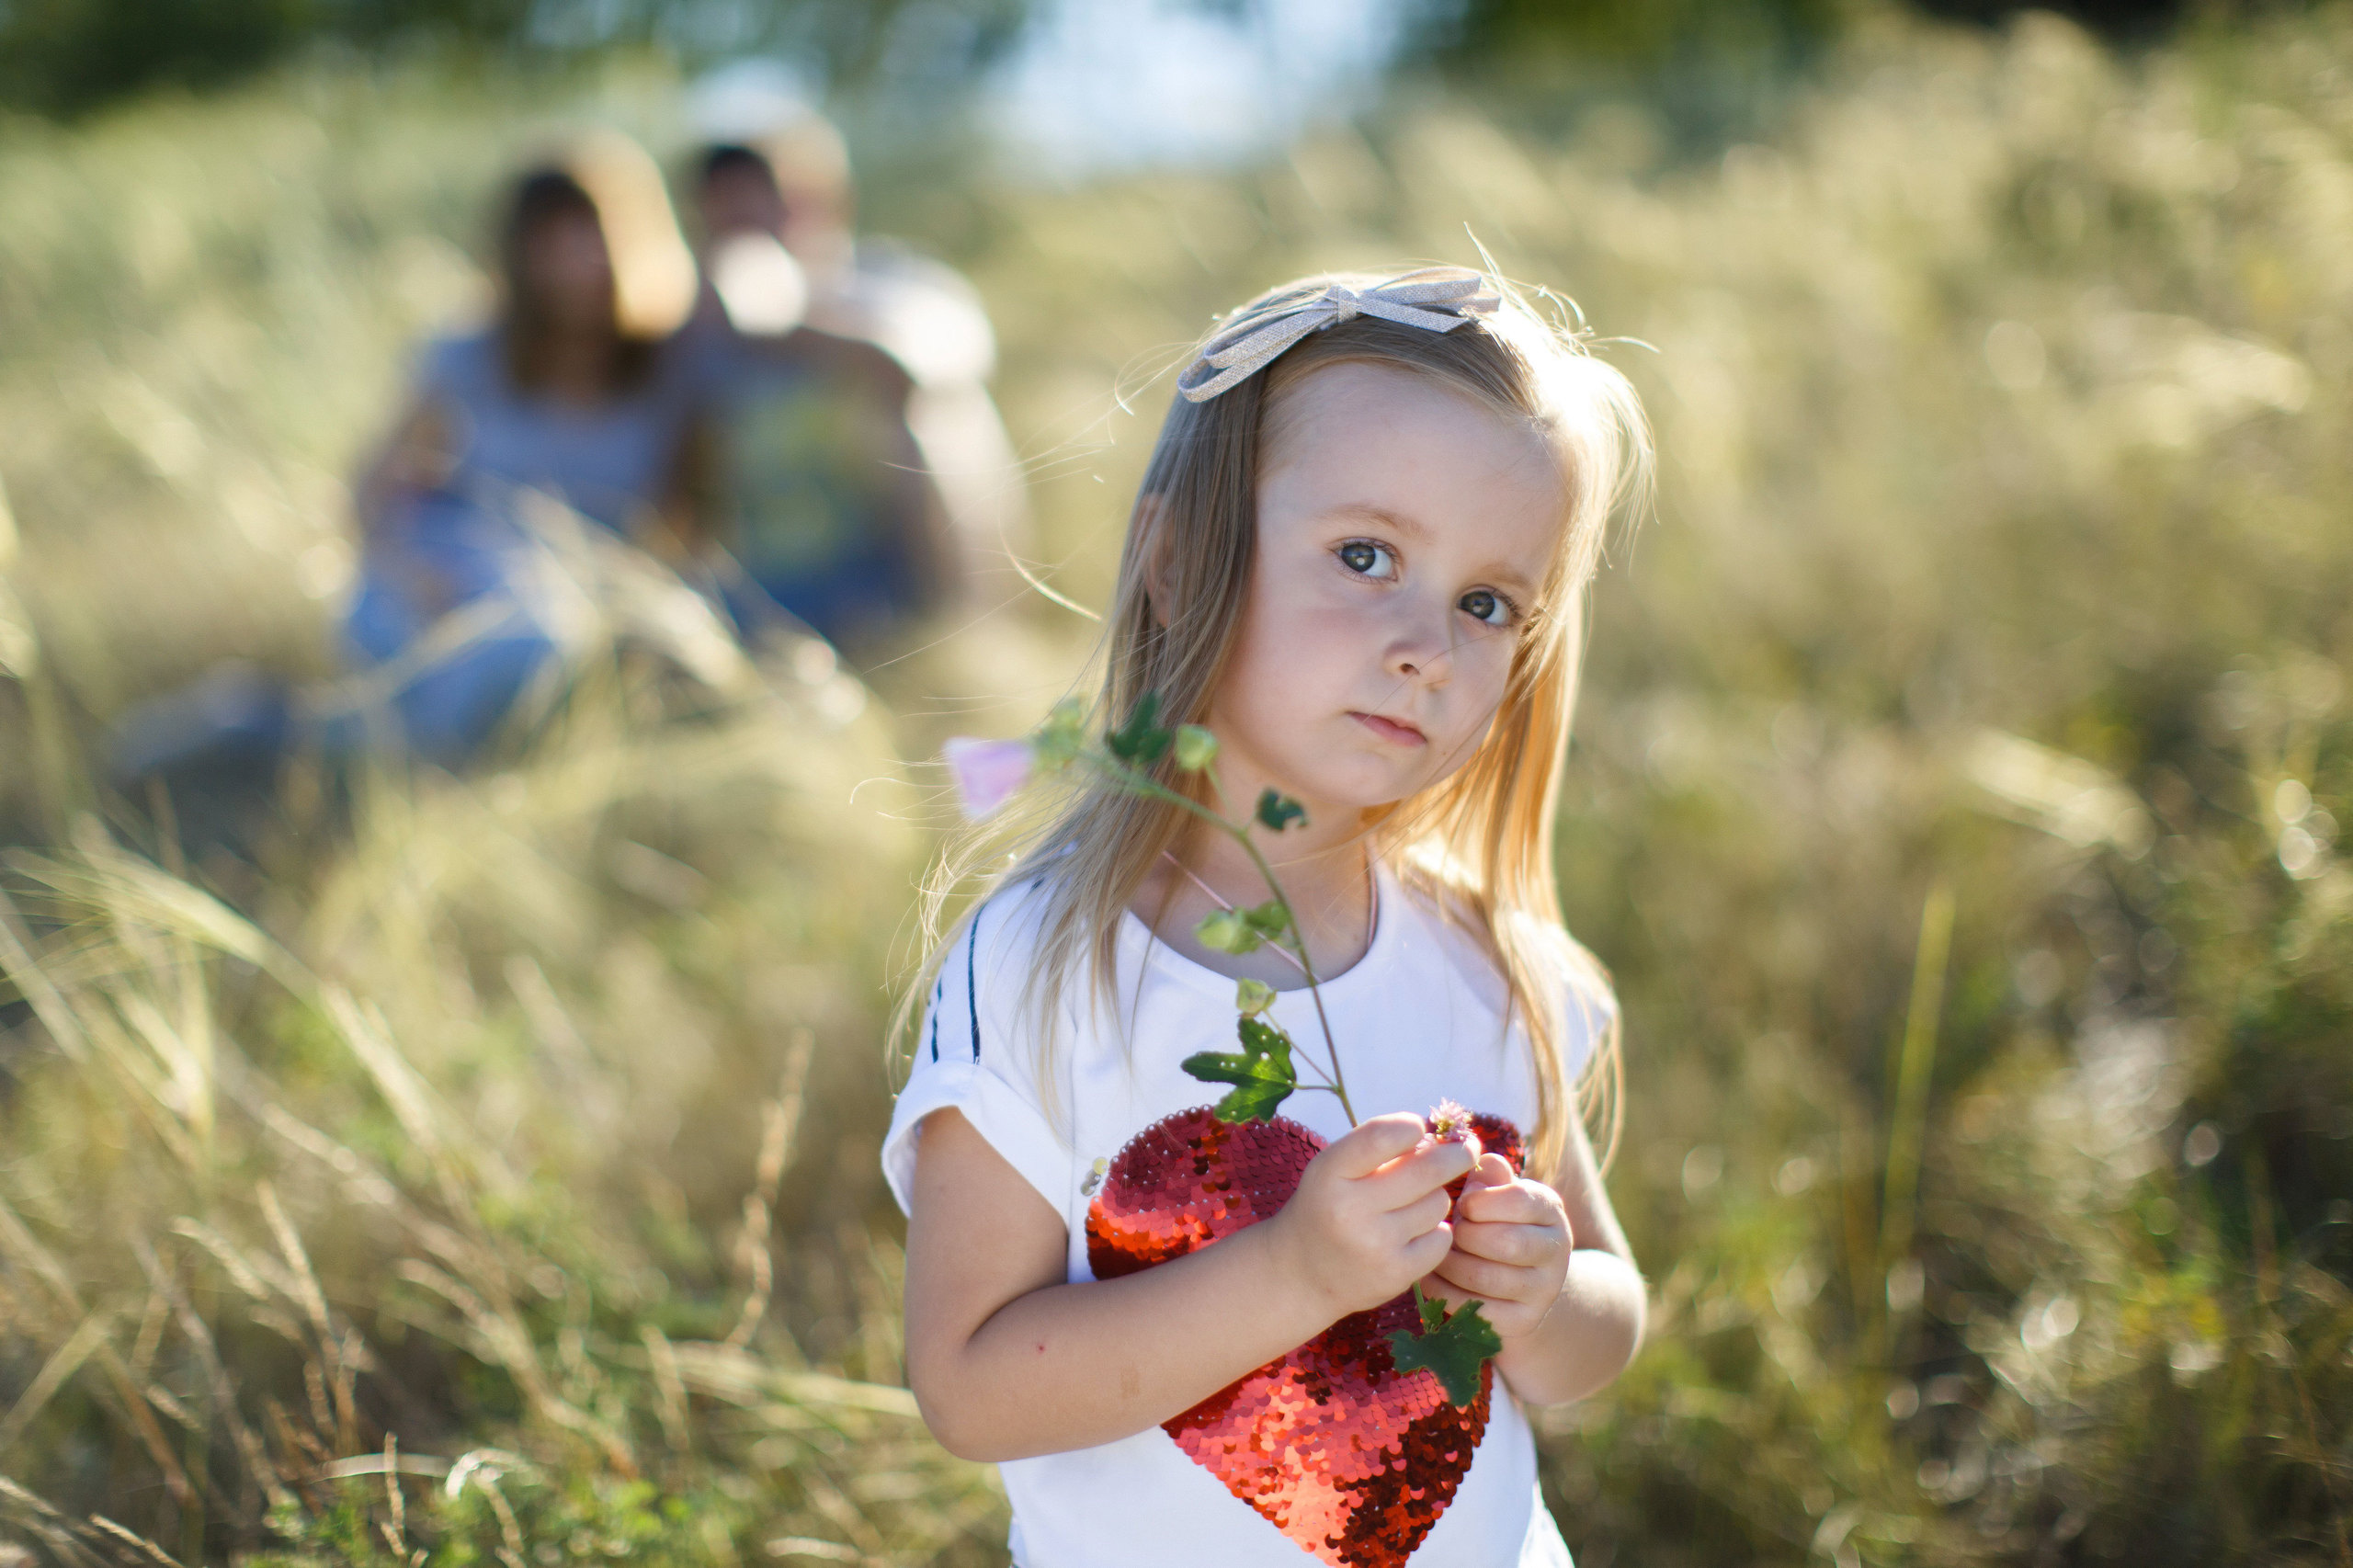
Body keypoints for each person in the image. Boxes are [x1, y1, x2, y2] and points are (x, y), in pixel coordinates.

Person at [881, 267, 1653, 1567]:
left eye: (1488, 603)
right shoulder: (1047, 965)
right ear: (1180, 566)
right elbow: (969, 1383)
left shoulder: (1494, 967)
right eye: (1366, 557)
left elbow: (1603, 1332)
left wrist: (1538, 1288)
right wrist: (1296, 1275)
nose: (1428, 644)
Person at [340, 131, 699, 761]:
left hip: (590, 599)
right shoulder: (470, 355)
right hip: (451, 576)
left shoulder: (673, 366)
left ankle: (304, 742)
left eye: (589, 234)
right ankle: (378, 761)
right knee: (494, 659)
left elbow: (687, 524)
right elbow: (371, 486)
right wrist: (410, 574)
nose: (571, 262)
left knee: (543, 653)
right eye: (548, 242)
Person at [674, 142, 959, 653]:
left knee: (934, 429)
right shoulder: (691, 338)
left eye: (755, 201)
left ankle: (956, 627)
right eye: (719, 207)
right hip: (754, 583)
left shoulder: (866, 285)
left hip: (867, 569)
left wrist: (778, 327)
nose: (738, 222)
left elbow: (915, 370)